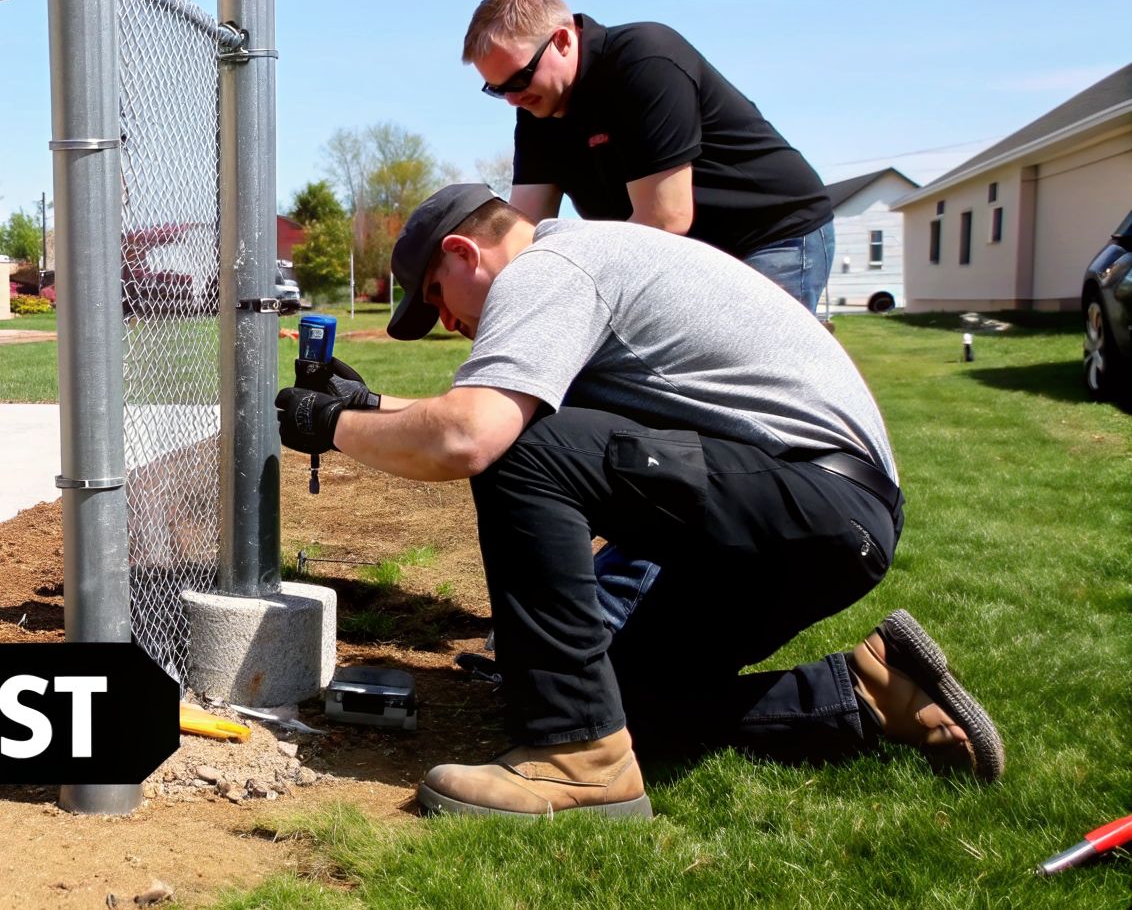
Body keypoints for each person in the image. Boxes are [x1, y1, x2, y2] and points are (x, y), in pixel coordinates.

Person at [275, 184, 1003, 819]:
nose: (447, 324)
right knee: (621, 704)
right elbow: (487, 416)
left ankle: (575, 758)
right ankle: (873, 691)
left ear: (465, 253)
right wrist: (367, 405)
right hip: (816, 513)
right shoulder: (583, 261)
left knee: (521, 454)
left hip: (814, 498)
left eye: (436, 298)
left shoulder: (551, 268)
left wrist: (331, 424)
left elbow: (472, 437)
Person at [465, 0, 835, 314]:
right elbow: (524, 230)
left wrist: (570, 275)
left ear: (562, 40)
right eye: (496, 89)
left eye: (520, 78)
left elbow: (666, 218)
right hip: (689, 254)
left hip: (771, 232)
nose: (512, 99)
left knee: (755, 373)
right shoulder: (537, 110)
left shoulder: (644, 61)